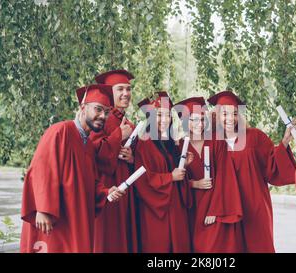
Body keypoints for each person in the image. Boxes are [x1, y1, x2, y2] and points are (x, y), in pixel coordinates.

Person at [20, 84, 124, 253]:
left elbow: (90, 182)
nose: (103, 116)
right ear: (83, 108)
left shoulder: (88, 145)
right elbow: (41, 170)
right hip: (54, 220)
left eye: (106, 112)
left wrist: (106, 193)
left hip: (75, 219)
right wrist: (42, 208)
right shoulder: (60, 132)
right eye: (98, 109)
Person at [208, 90, 296, 253]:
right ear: (217, 116)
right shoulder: (212, 141)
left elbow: (272, 164)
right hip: (226, 209)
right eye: (225, 114)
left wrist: (284, 142)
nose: (230, 119)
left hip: (254, 206)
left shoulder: (255, 137)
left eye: (234, 114)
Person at [174, 96, 243, 253]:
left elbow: (225, 175)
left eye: (202, 119)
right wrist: (193, 183)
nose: (199, 124)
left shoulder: (216, 141)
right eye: (193, 119)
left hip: (216, 202)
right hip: (191, 205)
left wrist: (215, 209)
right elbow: (174, 179)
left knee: (213, 248)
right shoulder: (178, 147)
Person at [133, 91, 193, 252]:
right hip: (155, 211)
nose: (164, 120)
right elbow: (141, 179)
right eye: (159, 115)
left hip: (175, 208)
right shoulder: (144, 142)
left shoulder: (170, 143)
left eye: (167, 116)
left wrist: (184, 165)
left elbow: (175, 173)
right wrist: (170, 177)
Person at [91, 69, 138, 253]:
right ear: (110, 92)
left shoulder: (130, 123)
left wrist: (132, 158)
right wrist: (119, 135)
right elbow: (95, 154)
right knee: (108, 239)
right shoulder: (100, 119)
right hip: (106, 188)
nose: (126, 93)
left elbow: (138, 159)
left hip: (126, 187)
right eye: (120, 89)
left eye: (128, 89)